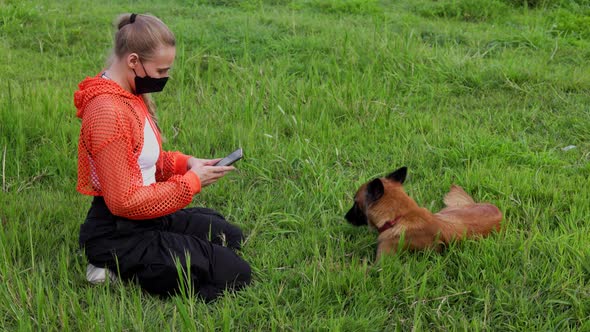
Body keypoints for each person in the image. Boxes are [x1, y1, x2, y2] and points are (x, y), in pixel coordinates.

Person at [73, 13, 251, 301]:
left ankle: (138, 260)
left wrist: (187, 164)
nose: (165, 78)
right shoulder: (107, 112)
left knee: (229, 235)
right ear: (133, 61)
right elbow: (124, 201)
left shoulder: (129, 94)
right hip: (120, 231)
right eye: (161, 71)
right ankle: (109, 264)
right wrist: (190, 183)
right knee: (235, 274)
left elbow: (145, 161)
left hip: (148, 216)